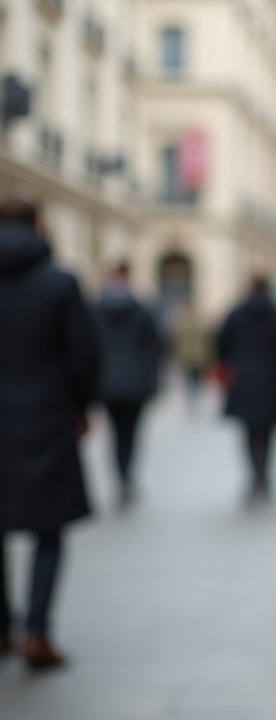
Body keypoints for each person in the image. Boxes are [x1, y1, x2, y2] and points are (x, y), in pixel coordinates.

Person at [0, 192, 100, 669]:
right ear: (39, 226)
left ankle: (1, 631)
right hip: (47, 416)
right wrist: (82, 407)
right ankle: (37, 632)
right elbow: (81, 354)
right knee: (49, 530)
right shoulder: (60, 282)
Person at [217, 274, 276, 503]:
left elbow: (222, 345)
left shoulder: (235, 314)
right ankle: (264, 476)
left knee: (248, 431)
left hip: (242, 377)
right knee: (268, 433)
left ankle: (253, 477)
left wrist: (227, 369)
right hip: (270, 379)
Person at [92, 262, 163, 507]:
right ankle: (127, 479)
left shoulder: (96, 309)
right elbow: (157, 345)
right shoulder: (142, 309)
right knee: (130, 433)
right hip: (136, 379)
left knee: (114, 433)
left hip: (107, 380)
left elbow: (85, 345)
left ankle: (119, 479)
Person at [170, 296, 213, 408]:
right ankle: (191, 399)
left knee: (197, 379)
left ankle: (194, 398)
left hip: (198, 356)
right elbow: (175, 341)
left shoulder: (198, 322)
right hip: (186, 356)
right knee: (188, 379)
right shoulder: (181, 322)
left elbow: (207, 340)